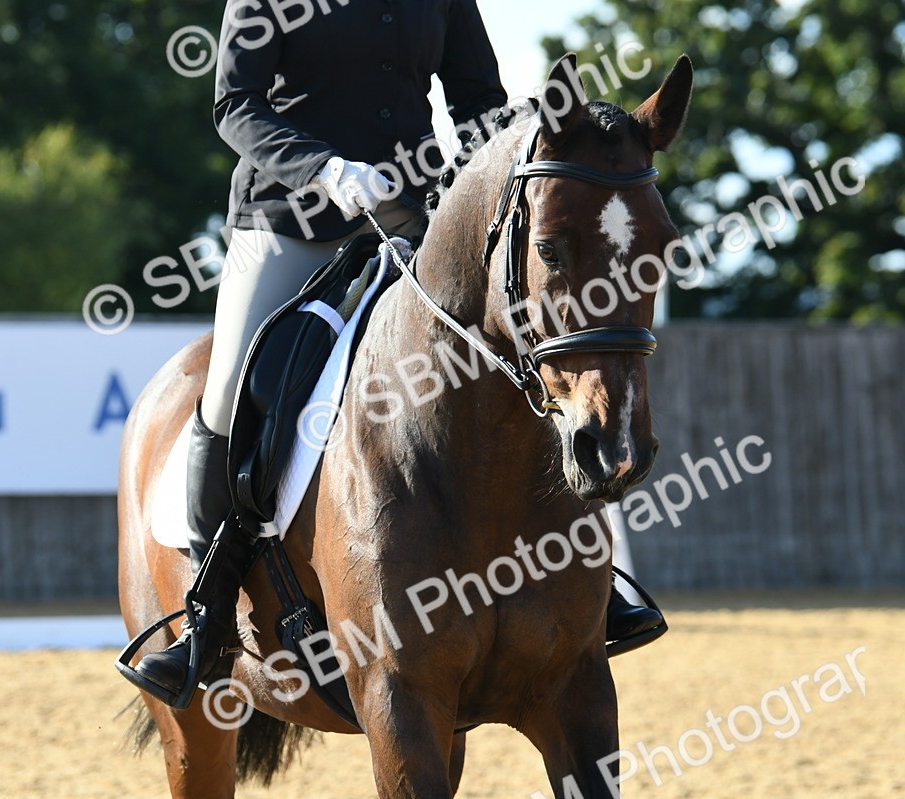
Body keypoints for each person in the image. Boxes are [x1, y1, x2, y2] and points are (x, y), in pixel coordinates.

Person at [131, 0, 662, 705]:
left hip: (420, 217)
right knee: (229, 391)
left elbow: (476, 101)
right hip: (292, 220)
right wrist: (324, 169)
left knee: (514, 356)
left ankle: (584, 585)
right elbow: (236, 105)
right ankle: (205, 610)